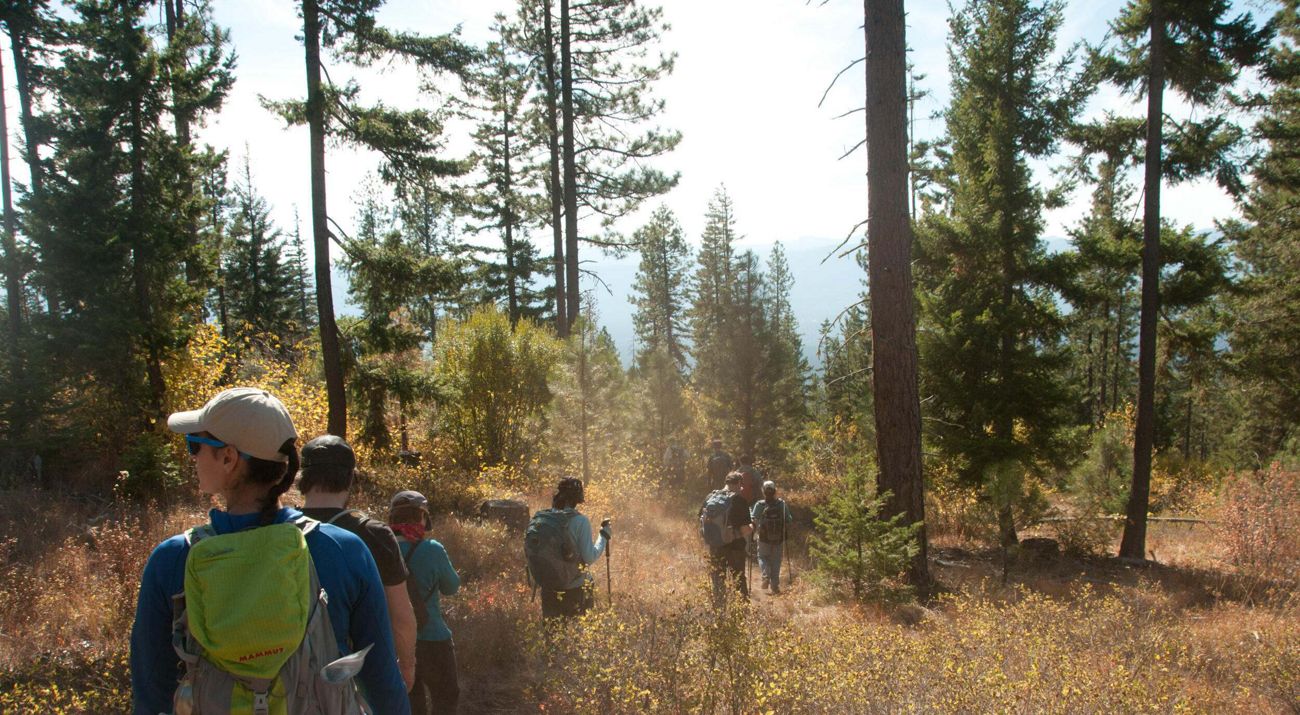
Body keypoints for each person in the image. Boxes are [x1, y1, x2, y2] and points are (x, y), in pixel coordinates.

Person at [129, 387, 409, 715]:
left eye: (196, 445)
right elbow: (382, 680)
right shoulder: (344, 551)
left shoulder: (173, 559)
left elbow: (151, 693)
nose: (192, 456)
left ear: (228, 457)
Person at [299, 434, 417, 691]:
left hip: (287, 679)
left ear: (302, 479)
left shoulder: (279, 528)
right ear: (350, 478)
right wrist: (406, 665)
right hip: (355, 677)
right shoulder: (374, 534)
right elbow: (401, 614)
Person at [389, 490, 462, 715]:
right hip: (433, 639)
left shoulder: (382, 549)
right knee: (446, 698)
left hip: (396, 640)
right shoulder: (433, 550)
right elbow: (452, 587)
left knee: (412, 703)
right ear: (422, 517)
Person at [533, 477, 610, 618]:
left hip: (548, 586)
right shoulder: (580, 521)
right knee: (578, 631)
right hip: (573, 587)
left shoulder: (543, 518)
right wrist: (603, 536)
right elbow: (589, 557)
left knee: (551, 633)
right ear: (577, 499)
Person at [700, 470, 753, 604]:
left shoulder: (710, 497)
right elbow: (745, 530)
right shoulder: (739, 500)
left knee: (717, 578)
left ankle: (719, 609)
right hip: (735, 548)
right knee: (738, 579)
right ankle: (742, 611)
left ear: (726, 482)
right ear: (739, 483)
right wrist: (754, 527)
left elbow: (701, 519)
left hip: (715, 546)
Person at [750, 480, 794, 595]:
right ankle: (775, 586)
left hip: (764, 537)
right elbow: (789, 520)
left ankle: (765, 575)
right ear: (775, 491)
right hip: (778, 539)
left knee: (762, 557)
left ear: (763, 492)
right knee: (776, 561)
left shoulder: (759, 505)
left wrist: (752, 533)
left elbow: (753, 520)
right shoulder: (781, 504)